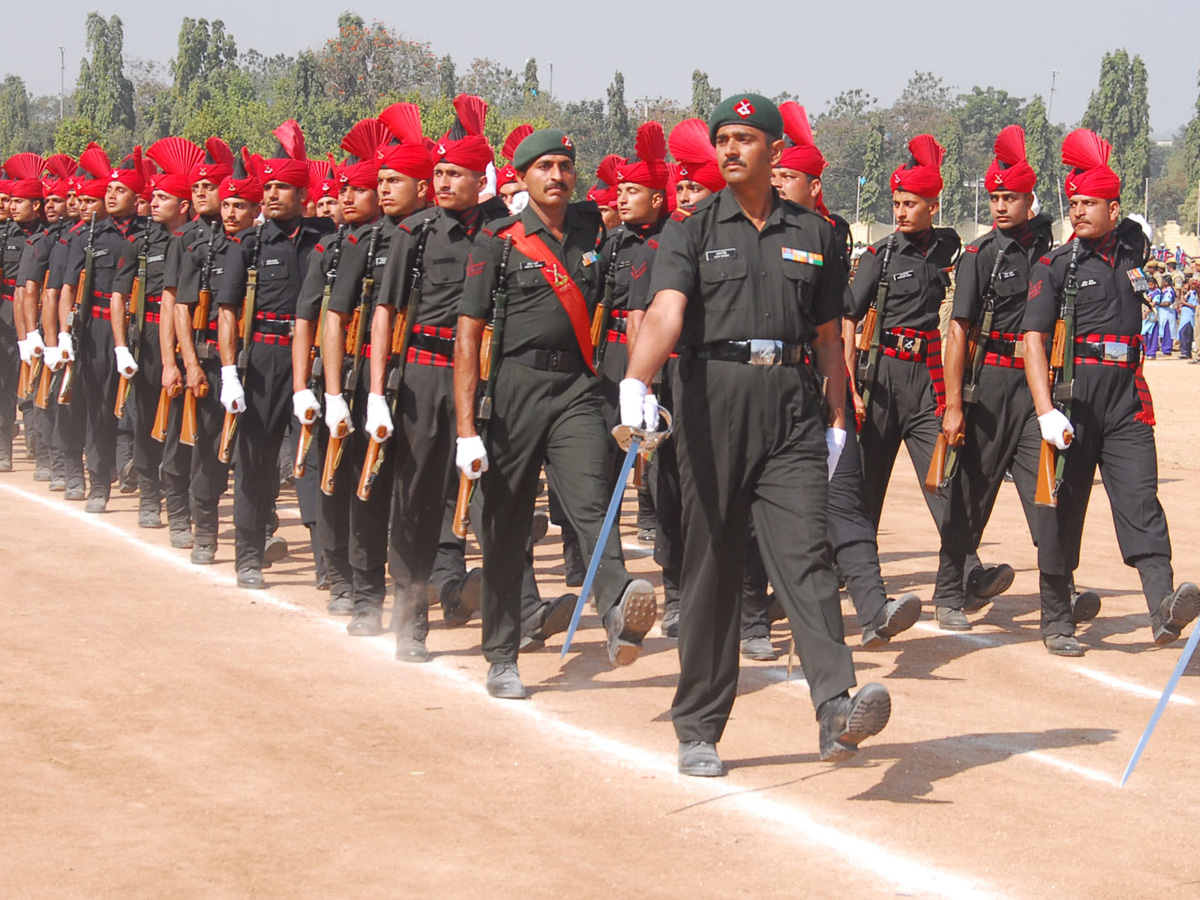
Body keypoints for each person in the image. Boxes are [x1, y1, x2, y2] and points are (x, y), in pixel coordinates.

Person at [626, 93, 891, 776]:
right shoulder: (689, 230)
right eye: (723, 138)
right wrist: (637, 379)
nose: (731, 149)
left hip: (792, 408)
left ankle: (835, 706)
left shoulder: (815, 234)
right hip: (714, 403)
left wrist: (838, 418)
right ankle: (700, 727)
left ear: (775, 150)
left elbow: (829, 334)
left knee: (805, 557)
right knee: (712, 563)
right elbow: (666, 311)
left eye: (746, 137)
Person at [455, 127, 657, 700]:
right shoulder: (498, 240)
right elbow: (469, 338)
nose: (557, 176)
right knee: (505, 523)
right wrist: (467, 428)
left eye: (565, 166)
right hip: (515, 386)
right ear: (521, 177)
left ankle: (618, 599)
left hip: (575, 385)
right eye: (544, 166)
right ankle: (501, 655)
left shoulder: (593, 229)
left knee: (591, 499)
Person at [1023, 128, 1198, 655]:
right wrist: (1045, 412)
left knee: (1142, 498)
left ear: (1114, 208)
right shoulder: (1055, 265)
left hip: (1126, 400)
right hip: (1074, 399)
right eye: (1072, 203)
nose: (1077, 212)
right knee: (1063, 510)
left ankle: (1163, 607)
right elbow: (1033, 340)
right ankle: (1056, 618)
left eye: (1089, 203)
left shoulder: (1130, 253)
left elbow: (1137, 233)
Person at [762, 102, 920, 650]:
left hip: (818, 384)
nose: (778, 184)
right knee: (759, 508)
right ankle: (754, 617)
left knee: (846, 498)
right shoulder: (747, 229)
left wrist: (842, 388)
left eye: (787, 177)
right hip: (762, 391)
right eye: (774, 175)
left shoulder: (828, 236)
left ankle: (874, 610)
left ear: (813, 184)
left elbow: (837, 324)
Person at [851, 135, 1012, 629]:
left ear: (933, 205)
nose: (900, 211)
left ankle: (967, 572)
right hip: (879, 378)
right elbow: (843, 317)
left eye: (910, 203)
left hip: (927, 380)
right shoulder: (878, 255)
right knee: (865, 491)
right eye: (896, 203)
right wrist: (849, 387)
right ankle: (860, 586)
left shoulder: (949, 245)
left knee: (945, 479)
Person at [932, 126, 1077, 631]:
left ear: (1030, 199)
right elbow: (957, 332)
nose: (999, 206)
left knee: (1047, 494)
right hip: (992, 384)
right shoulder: (980, 255)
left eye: (1009, 197)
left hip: (1039, 388)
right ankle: (950, 592)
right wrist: (954, 403)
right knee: (972, 492)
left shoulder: (1052, 248)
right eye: (994, 197)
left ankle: (1062, 595)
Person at [216, 121, 334, 588]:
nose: (270, 196)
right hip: (263, 360)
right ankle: (248, 553)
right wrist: (229, 372)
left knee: (317, 455)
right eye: (267, 188)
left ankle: (327, 560)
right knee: (256, 456)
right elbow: (227, 311)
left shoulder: (324, 238)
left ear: (303, 193)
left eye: (282, 188)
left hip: (314, 362)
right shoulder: (249, 244)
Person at [110, 138, 200, 539]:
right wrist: (121, 347)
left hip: (194, 338)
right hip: (149, 337)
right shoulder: (141, 244)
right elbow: (118, 294)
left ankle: (182, 502)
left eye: (164, 197)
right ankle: (150, 495)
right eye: (154, 195)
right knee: (148, 420)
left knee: (189, 425)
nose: (154, 202)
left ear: (183, 205)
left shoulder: (200, 241)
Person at [167, 138, 239, 564]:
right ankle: (199, 528)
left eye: (209, 186)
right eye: (197, 187)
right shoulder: (189, 240)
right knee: (198, 447)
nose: (200, 193)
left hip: (248, 359)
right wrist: (185, 362)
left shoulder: (248, 239)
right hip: (204, 357)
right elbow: (177, 305)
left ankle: (259, 528)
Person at [3, 153, 48, 472]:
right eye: (11, 200)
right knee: (5, 381)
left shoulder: (47, 235)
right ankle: (4, 443)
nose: (12, 206)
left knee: (38, 380)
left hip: (41, 314)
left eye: (20, 201)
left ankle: (40, 441)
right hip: (6, 313)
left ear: (36, 204)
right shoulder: (6, 233)